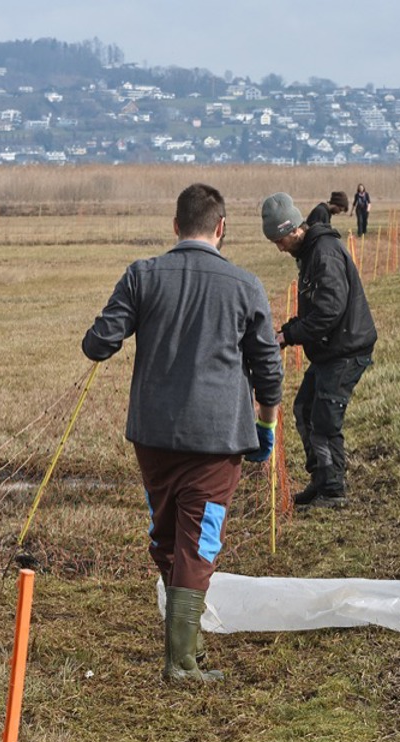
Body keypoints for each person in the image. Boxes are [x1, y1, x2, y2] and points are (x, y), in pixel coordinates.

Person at [82, 183, 283, 683]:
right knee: (199, 541)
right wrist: (266, 424)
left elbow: (98, 342)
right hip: (217, 441)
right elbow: (269, 369)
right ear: (221, 229)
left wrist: (107, 335)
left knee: (169, 534)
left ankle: (187, 646)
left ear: (175, 227)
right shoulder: (245, 285)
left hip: (153, 437)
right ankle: (181, 661)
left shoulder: (141, 275)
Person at [261, 191, 376, 508]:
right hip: (330, 349)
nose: (279, 248)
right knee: (305, 410)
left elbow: (328, 312)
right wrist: (332, 205)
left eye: (280, 240)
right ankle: (320, 479)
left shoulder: (323, 255)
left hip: (346, 349)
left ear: (294, 230)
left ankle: (333, 490)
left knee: (324, 420)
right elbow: (318, 213)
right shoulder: (310, 237)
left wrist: (287, 336)